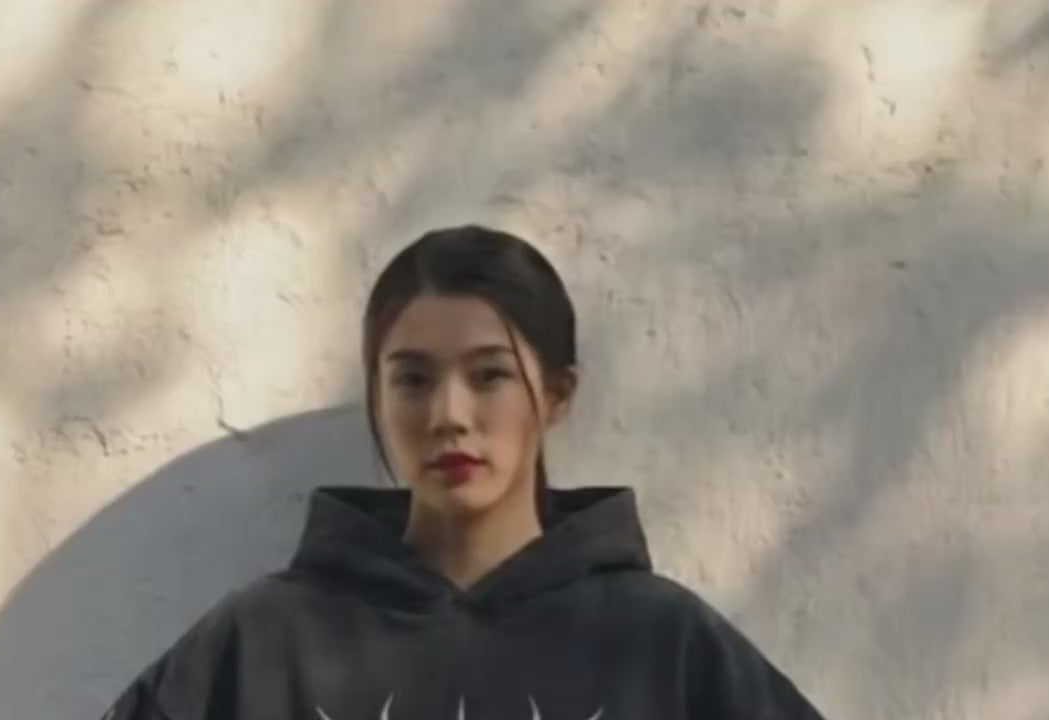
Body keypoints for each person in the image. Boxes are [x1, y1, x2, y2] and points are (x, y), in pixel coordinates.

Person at [100, 225, 826, 719]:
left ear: (557, 394)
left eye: (489, 376)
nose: (448, 415)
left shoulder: (663, 642)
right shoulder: (265, 641)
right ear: (379, 397)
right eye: (413, 380)